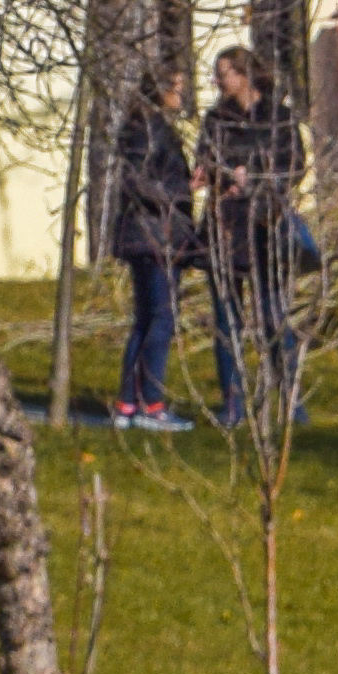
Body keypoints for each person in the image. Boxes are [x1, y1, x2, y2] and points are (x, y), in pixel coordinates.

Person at [196, 42, 305, 427]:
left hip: (264, 226)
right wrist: (223, 175)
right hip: (224, 228)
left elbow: (294, 166)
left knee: (275, 316)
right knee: (228, 322)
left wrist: (254, 175)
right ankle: (233, 407)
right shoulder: (215, 121)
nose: (216, 80)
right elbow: (204, 165)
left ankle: (292, 404)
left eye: (222, 73)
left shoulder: (278, 118)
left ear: (242, 75)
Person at [101, 68, 198, 429]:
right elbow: (139, 182)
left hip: (145, 232)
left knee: (145, 319)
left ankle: (128, 403)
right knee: (161, 318)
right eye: (176, 88)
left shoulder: (141, 129)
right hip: (157, 233)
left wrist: (185, 184)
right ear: (159, 92)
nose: (180, 97)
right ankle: (151, 405)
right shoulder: (149, 130)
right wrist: (180, 195)